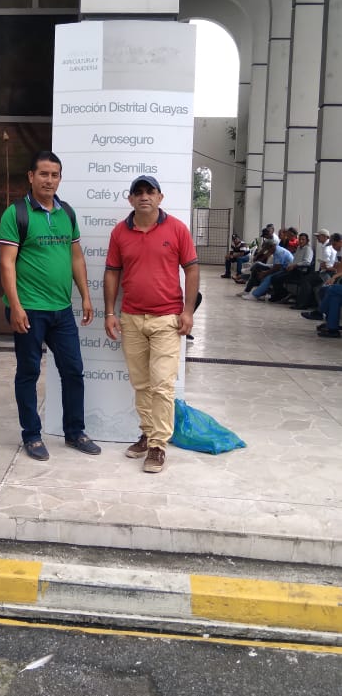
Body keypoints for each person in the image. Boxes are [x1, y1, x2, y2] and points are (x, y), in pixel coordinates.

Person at [0, 151, 101, 461]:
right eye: (43, 174)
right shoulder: (16, 214)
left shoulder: (66, 212)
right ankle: (32, 435)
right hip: (29, 308)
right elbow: (6, 264)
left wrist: (85, 295)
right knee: (28, 372)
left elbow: (76, 257)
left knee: (73, 370)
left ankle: (75, 432)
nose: (49, 180)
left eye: (54, 175)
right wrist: (15, 306)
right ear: (31, 176)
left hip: (61, 309)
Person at [103, 175, 199, 474]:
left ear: (160, 197)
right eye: (138, 192)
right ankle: (147, 434)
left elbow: (192, 270)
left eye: (150, 191)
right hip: (131, 318)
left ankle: (158, 445)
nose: (144, 196)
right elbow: (112, 272)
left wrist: (188, 311)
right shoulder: (120, 232)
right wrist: (109, 312)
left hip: (167, 319)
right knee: (141, 383)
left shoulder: (177, 229)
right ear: (131, 199)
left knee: (162, 385)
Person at [295, 230, 341, 314]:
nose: (317, 238)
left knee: (312, 283)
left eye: (319, 236)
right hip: (330, 272)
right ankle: (320, 311)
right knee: (317, 287)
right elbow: (337, 266)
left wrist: (330, 272)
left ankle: (306, 305)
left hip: (329, 273)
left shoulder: (329, 248)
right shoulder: (335, 250)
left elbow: (335, 268)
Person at [267, 232, 312, 302]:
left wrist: (295, 265)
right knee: (274, 277)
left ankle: (283, 294)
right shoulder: (299, 248)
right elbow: (294, 260)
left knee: (277, 278)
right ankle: (282, 294)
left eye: (303, 239)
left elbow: (307, 262)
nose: (301, 241)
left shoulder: (308, 249)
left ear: (307, 241)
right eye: (300, 239)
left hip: (300, 272)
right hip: (293, 269)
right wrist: (290, 265)